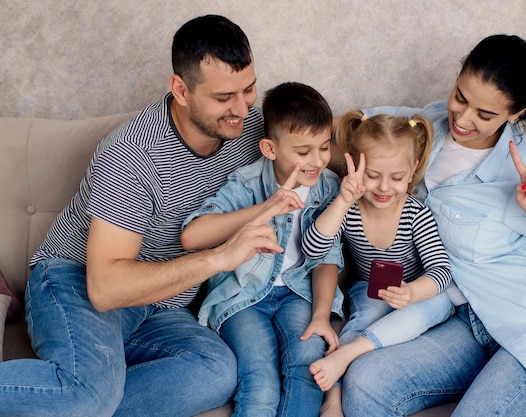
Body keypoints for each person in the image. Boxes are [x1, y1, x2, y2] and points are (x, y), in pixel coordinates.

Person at [0, 14, 285, 417]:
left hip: (163, 303)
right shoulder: (132, 155)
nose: (242, 108)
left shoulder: (251, 129)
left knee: (217, 372)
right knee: (88, 394)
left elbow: (318, 140)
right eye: (224, 98)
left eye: (250, 89)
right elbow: (106, 289)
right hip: (78, 281)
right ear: (180, 90)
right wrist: (220, 258)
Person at [340, 34, 526, 417]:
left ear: (515, 113)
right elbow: (356, 125)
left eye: (484, 115)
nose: (463, 119)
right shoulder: (428, 124)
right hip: (468, 321)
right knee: (366, 383)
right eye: (461, 97)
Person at [180, 81, 345, 417]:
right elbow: (193, 235)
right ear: (270, 149)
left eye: (324, 147)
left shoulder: (328, 186)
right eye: (303, 152)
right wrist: (266, 208)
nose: (316, 161)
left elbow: (327, 257)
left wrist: (321, 316)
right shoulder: (247, 182)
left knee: (306, 368)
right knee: (261, 381)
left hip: (300, 294)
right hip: (242, 298)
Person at [302, 112, 454, 415]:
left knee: (440, 304)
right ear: (354, 168)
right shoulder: (350, 209)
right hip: (369, 289)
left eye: (397, 178)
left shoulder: (415, 214)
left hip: (412, 292)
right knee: (362, 317)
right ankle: (334, 395)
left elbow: (441, 270)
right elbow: (313, 248)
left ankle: (360, 350)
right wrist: (343, 200)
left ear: (411, 173)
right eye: (372, 175)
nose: (384, 188)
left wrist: (411, 292)